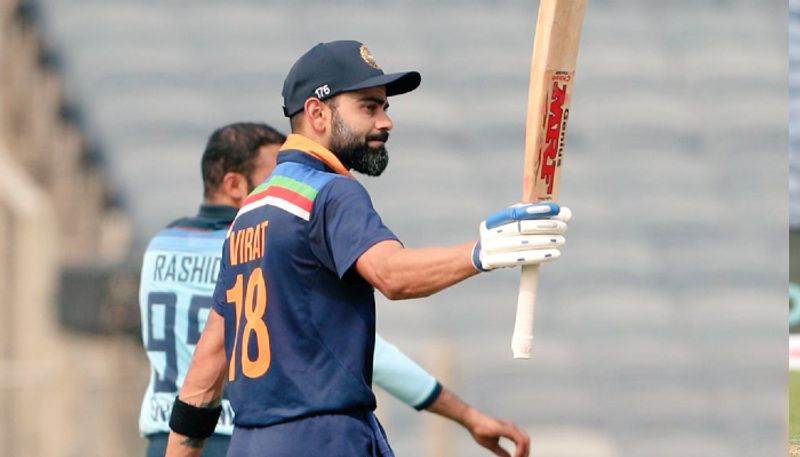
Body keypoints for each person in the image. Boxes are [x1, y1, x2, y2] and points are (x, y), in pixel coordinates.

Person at [165, 40, 569, 457]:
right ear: (318, 113)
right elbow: (391, 275)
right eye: (369, 107)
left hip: (251, 443)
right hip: (324, 440)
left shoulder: (247, 215)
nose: (386, 121)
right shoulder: (330, 192)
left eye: (385, 107)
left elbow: (206, 370)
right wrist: (486, 251)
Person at [140, 122, 531, 457]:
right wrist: (467, 416)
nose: (283, 183)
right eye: (272, 174)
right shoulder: (269, 243)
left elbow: (200, 358)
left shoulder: (161, 244)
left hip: (171, 431)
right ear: (234, 184)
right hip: (236, 428)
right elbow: (366, 355)